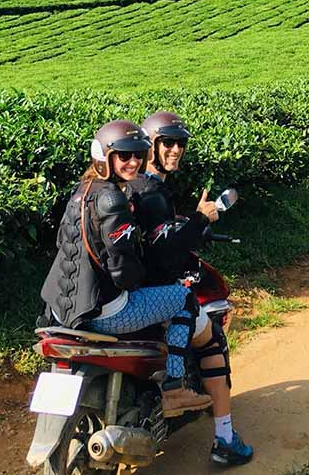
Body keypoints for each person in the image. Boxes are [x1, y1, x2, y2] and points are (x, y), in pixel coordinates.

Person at [38, 119, 212, 418]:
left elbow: (62, 243)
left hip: (59, 310)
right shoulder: (113, 199)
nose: (133, 162)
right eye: (124, 155)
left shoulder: (81, 191)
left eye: (137, 155)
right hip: (103, 311)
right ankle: (174, 388)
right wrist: (144, 278)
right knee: (183, 299)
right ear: (105, 158)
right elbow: (123, 271)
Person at [130, 110, 254, 467]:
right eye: (167, 142)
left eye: (180, 143)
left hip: (127, 292)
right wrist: (201, 219)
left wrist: (186, 223)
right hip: (157, 293)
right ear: (149, 146)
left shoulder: (132, 187)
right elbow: (165, 249)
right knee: (212, 340)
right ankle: (225, 440)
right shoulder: (152, 191)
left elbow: (156, 234)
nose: (175, 149)